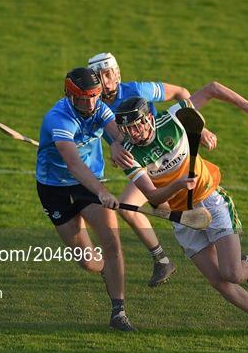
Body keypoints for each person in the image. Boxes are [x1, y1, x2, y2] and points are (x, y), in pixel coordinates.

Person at [112, 82, 248, 336]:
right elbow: (154, 197)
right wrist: (178, 184)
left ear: (149, 119)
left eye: (137, 125)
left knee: (232, 273)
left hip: (210, 200)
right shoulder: (129, 155)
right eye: (128, 129)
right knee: (217, 280)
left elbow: (211, 89)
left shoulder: (173, 119)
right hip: (182, 218)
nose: (134, 133)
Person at [88, 52, 219, 287]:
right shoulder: (94, 106)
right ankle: (162, 259)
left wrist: (200, 127)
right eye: (99, 77)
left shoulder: (138, 90)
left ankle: (236, 258)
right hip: (144, 166)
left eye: (107, 74)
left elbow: (181, 92)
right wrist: (115, 147)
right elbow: (99, 136)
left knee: (195, 208)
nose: (105, 81)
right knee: (130, 208)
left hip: (166, 158)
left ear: (116, 73)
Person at [35, 67, 136, 331]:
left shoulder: (100, 108)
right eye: (83, 97)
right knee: (88, 261)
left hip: (88, 187)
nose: (90, 103)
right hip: (55, 188)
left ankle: (118, 312)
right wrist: (102, 192)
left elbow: (119, 134)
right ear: (70, 95)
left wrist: (116, 143)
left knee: (112, 242)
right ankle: (104, 270)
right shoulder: (58, 119)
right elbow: (74, 165)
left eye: (94, 96)